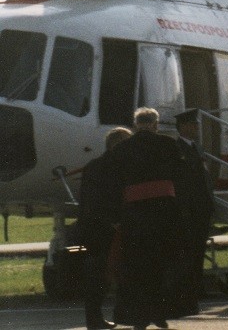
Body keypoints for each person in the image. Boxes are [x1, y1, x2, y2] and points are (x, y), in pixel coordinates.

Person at [110, 108, 190, 330]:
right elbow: (181, 176)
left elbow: (115, 184)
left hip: (134, 215)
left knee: (137, 267)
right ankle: (160, 313)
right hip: (164, 213)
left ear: (135, 125)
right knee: (162, 264)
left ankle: (139, 316)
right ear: (155, 124)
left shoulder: (123, 148)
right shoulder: (168, 144)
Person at [78, 127, 131, 330]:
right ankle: (94, 319)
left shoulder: (101, 165)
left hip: (106, 227)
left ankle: (97, 318)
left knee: (103, 277)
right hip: (101, 229)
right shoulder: (103, 167)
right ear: (115, 144)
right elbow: (95, 201)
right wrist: (113, 220)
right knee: (99, 276)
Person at [173, 108, 214, 313]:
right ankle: (190, 288)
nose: (197, 128)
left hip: (201, 207)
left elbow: (204, 177)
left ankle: (197, 287)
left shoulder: (197, 148)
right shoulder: (177, 148)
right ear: (183, 127)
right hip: (189, 210)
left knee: (198, 250)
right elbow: (182, 183)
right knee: (189, 251)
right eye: (193, 124)